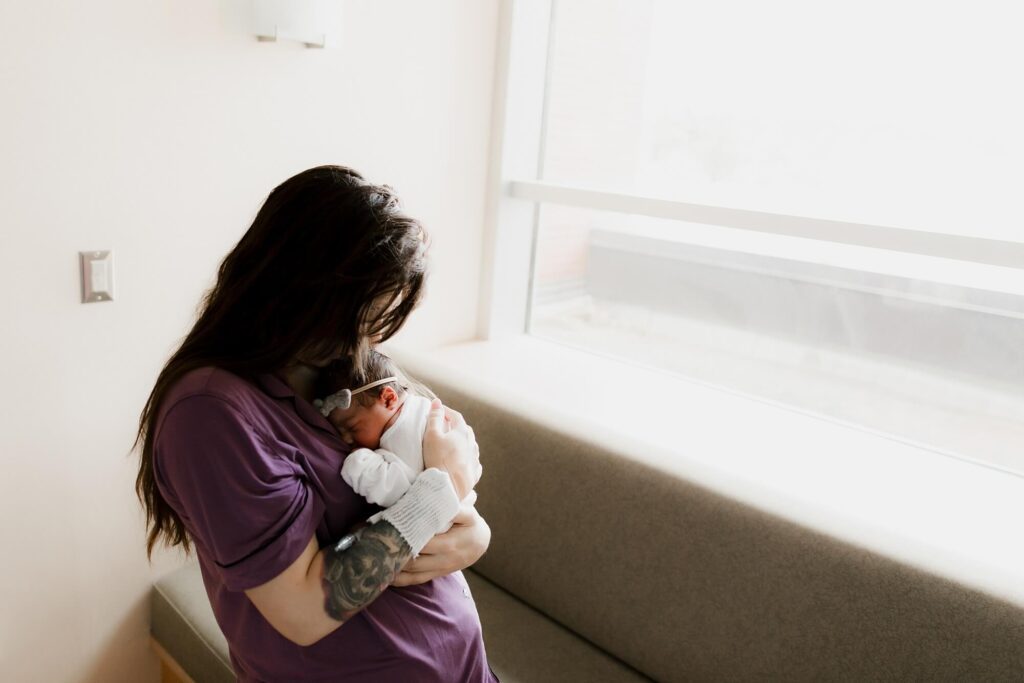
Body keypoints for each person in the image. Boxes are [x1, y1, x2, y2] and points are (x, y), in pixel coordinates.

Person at [134, 165, 497, 682]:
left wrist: (473, 534)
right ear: (307, 294)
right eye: (368, 316)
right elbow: (303, 609)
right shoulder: (211, 413)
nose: (371, 339)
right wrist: (443, 493)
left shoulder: (337, 367)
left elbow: (444, 454)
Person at [314, 350, 478, 513]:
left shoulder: (402, 433)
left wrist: (359, 463)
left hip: (443, 518)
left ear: (388, 399)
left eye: (352, 428)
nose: (346, 439)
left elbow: (404, 496)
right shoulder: (421, 407)